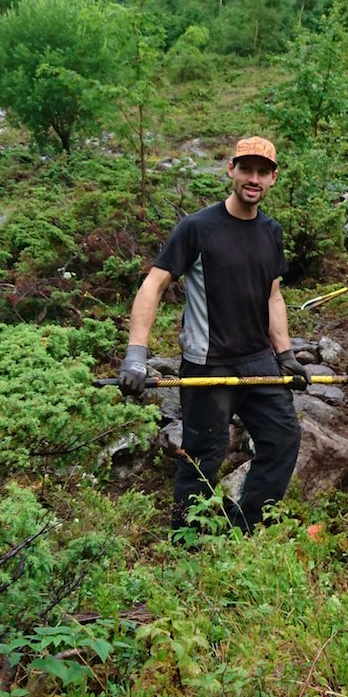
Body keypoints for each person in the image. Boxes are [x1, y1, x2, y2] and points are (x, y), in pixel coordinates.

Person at [118, 136, 306, 533]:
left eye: (262, 172)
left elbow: (273, 296)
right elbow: (153, 285)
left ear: (273, 178)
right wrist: (136, 353)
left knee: (283, 438)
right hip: (208, 362)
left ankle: (247, 526)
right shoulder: (197, 228)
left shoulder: (270, 231)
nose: (253, 178)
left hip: (258, 360)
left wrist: (285, 354)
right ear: (231, 170)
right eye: (246, 169)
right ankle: (188, 538)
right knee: (203, 455)